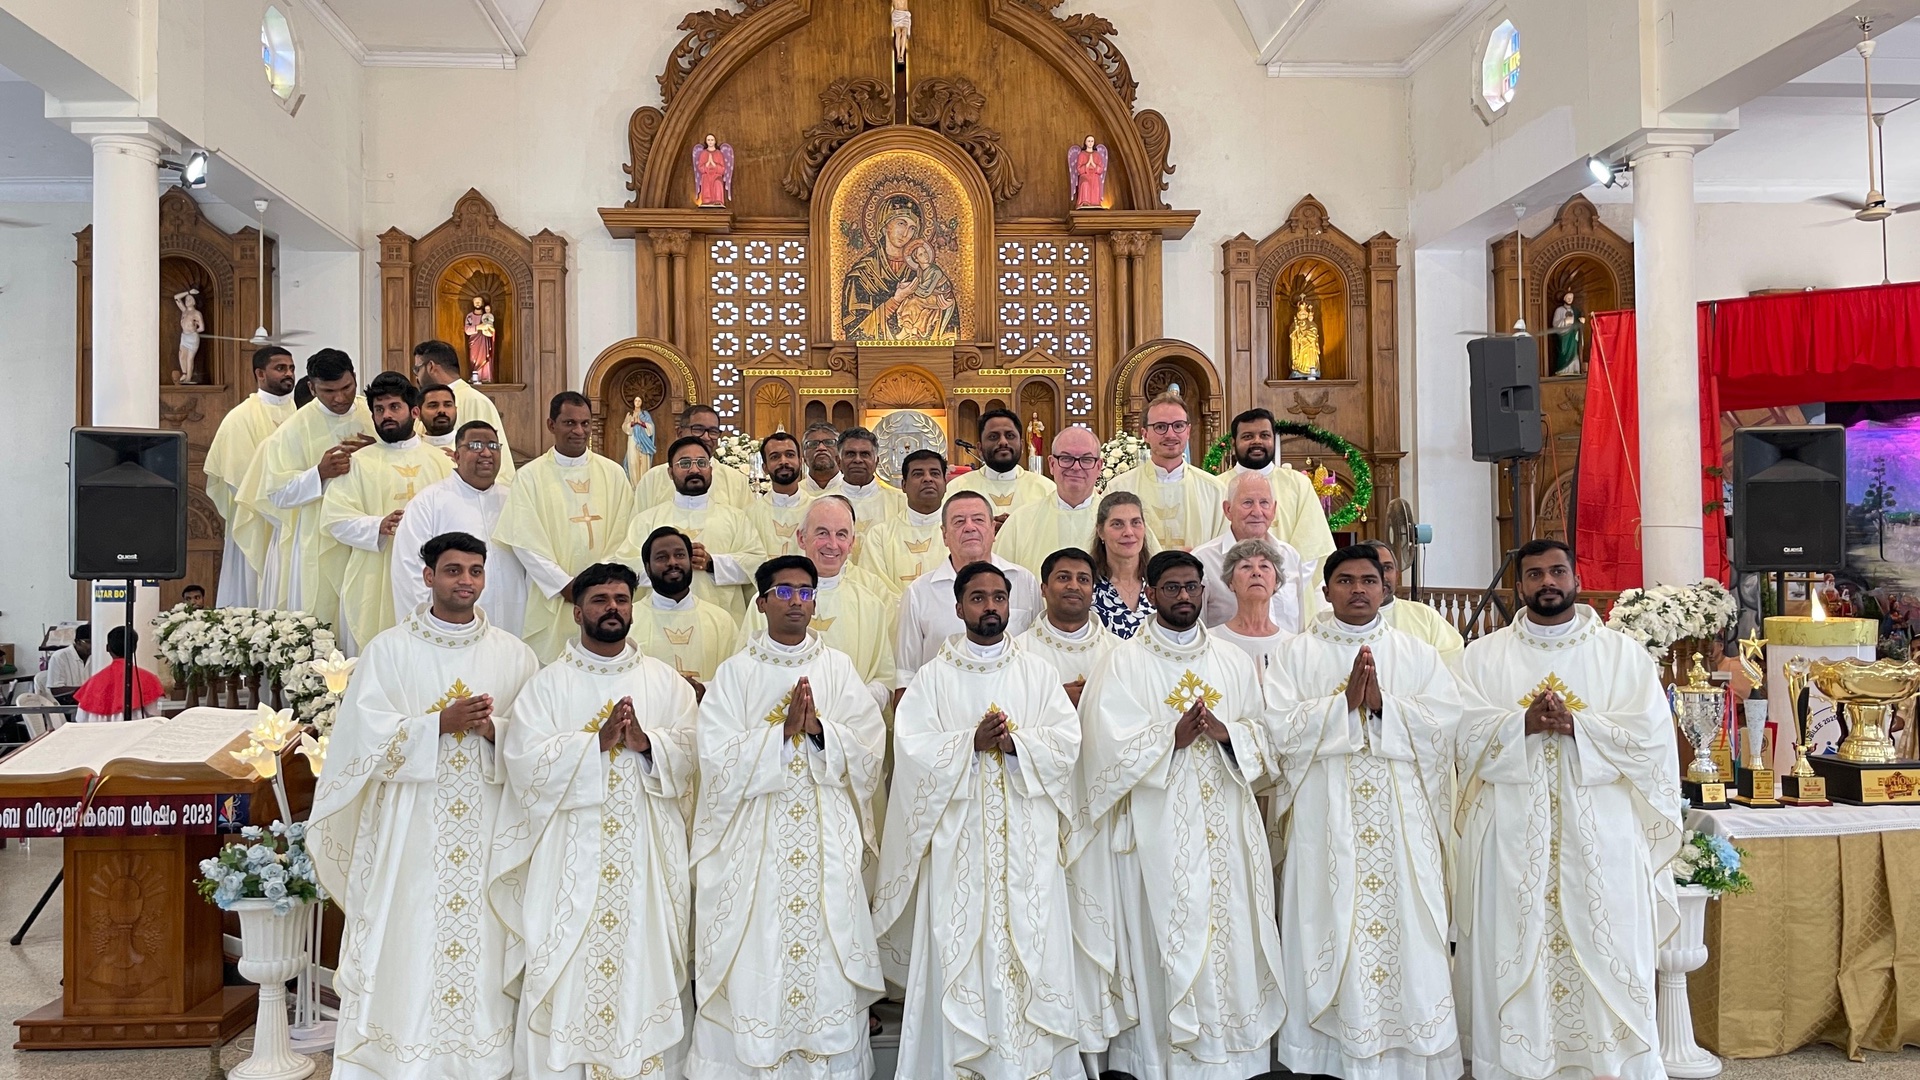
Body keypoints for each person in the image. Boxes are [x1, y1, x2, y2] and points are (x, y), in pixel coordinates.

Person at [308, 531, 540, 1080]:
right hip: (412, 826)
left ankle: (484, 1062)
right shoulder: (389, 650)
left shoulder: (515, 655)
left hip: (488, 826)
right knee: (409, 935)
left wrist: (494, 729)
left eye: (475, 571)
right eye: (453, 570)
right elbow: (360, 739)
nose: (466, 581)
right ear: (428, 576)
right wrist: (437, 724)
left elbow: (535, 742)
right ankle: (402, 1056)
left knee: (485, 939)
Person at [1452, 539, 1682, 1080]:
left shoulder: (1621, 655)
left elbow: (1652, 740)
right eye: (1535, 574)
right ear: (1520, 585)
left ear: (1576, 578)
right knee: (1514, 945)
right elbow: (1458, 735)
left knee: (1608, 946)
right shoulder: (1481, 657)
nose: (1548, 582)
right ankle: (1514, 1065)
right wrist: (1520, 725)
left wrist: (1580, 726)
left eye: (1558, 571)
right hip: (1510, 833)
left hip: (1602, 830)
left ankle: (1611, 1065)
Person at [874, 561, 1086, 1080]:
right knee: (960, 948)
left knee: (1032, 944)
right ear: (958, 607)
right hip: (959, 844)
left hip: (1027, 841)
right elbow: (912, 749)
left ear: (1009, 605)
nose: (990, 606)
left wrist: (1017, 744)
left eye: (998, 597)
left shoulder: (1036, 673)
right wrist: (969, 742)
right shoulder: (933, 678)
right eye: (978, 598)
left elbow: (1067, 743)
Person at [1078, 550, 1284, 1080]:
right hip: (1157, 830)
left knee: (1231, 934)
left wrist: (1227, 734)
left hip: (1227, 826)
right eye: (1171, 588)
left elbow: (1265, 737)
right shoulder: (1122, 662)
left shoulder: (1231, 661)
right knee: (1166, 936)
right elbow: (1102, 747)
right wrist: (1169, 738)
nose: (1185, 597)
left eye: (1192, 587)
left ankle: (1232, 1057)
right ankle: (1163, 1060)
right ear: (1150, 593)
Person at [1263, 545, 1463, 1080]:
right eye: (1346, 581)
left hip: (1401, 816)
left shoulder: (1416, 653)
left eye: (1368, 580)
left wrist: (1382, 706)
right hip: (1323, 814)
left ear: (1384, 587)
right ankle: (1327, 1055)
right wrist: (1343, 705)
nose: (1358, 590)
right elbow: (1277, 730)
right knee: (1327, 916)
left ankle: (1410, 1051)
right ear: (1326, 591)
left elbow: (1446, 726)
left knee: (1409, 921)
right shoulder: (1296, 654)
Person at [494, 561, 699, 1080]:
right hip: (569, 860)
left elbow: (694, 755)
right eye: (601, 600)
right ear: (577, 610)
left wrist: (648, 744)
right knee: (567, 959)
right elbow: (523, 765)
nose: (613, 609)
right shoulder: (548, 685)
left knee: (645, 959)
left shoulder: (665, 683)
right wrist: (595, 745)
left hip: (646, 858)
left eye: (622, 599)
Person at [687, 555, 888, 1080]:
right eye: (784, 592)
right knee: (758, 942)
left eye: (805, 592)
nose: (796, 601)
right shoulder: (735, 673)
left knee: (828, 940)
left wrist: (820, 732)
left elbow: (869, 747)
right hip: (755, 841)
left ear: (815, 603)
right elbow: (714, 758)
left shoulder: (838, 669)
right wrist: (779, 735)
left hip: (825, 835)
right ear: (761, 603)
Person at [494, 392, 638, 662]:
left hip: (605, 596)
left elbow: (627, 533)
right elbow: (524, 541)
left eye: (585, 423)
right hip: (553, 595)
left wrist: (598, 587)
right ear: (551, 425)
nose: (579, 431)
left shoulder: (614, 474)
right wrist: (565, 585)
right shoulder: (530, 476)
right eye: (570, 423)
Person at [239, 348, 375, 626]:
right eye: (328, 391)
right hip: (317, 536)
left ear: (355, 378)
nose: (340, 398)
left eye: (347, 388)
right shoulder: (293, 429)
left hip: (369, 528)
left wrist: (377, 451)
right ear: (312, 388)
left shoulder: (373, 415)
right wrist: (319, 474)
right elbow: (277, 494)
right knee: (323, 616)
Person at [321, 373, 454, 653]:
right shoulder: (358, 463)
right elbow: (335, 519)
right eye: (379, 410)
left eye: (394, 407)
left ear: (414, 412)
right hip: (375, 578)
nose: (386, 416)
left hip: (432, 573)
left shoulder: (441, 462)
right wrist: (377, 525)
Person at [740, 497, 895, 712]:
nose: (832, 544)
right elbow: (745, 672)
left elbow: (884, 679)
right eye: (822, 533)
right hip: (777, 720)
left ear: (852, 543)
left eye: (841, 535)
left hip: (847, 722)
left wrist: (846, 709)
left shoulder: (871, 605)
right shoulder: (770, 599)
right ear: (801, 538)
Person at [391, 420, 528, 635]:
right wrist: (423, 629)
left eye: (493, 446)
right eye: (475, 445)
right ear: (456, 456)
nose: (486, 453)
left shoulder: (514, 501)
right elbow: (409, 571)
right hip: (447, 628)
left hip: (514, 620)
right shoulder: (429, 502)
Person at [895, 491, 1040, 688]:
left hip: (1014, 696)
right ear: (944, 535)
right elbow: (906, 672)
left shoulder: (1024, 581)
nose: (970, 527)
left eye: (978, 520)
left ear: (993, 530)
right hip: (944, 700)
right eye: (959, 522)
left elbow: (1036, 651)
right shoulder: (918, 593)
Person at [624, 436, 766, 623]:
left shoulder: (736, 518)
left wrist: (712, 563)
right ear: (670, 472)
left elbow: (757, 564)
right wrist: (667, 565)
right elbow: (625, 568)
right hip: (659, 621)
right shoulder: (647, 520)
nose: (694, 469)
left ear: (711, 469)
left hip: (722, 622)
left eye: (701, 463)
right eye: (685, 463)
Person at [205, 345, 297, 606]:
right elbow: (241, 480)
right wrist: (280, 511)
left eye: (291, 368)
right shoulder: (239, 418)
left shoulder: (300, 413)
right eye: (280, 368)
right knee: (251, 594)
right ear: (260, 374)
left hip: (295, 519)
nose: (289, 374)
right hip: (255, 518)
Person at [1101, 394, 1224, 551]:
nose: (1170, 434)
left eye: (1178, 426)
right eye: (1160, 427)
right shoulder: (1118, 488)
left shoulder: (1215, 491)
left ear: (1188, 431)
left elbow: (1223, 551)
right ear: (1145, 434)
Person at [1194, 471, 1314, 633]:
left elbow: (1298, 626)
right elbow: (1197, 630)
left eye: (1264, 503)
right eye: (1247, 503)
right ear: (1228, 509)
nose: (1257, 512)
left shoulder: (1289, 556)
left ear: (1274, 509)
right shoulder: (1203, 560)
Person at [1222, 408, 1336, 568]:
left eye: (1264, 435)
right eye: (1248, 436)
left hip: (1289, 580)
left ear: (1273, 440)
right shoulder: (1216, 487)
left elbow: (1310, 550)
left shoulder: (1298, 484)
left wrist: (1280, 581)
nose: (1257, 441)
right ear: (1233, 443)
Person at [995, 425, 1102, 577]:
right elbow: (998, 578)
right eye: (1066, 458)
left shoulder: (1117, 521)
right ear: (1052, 464)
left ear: (1099, 466)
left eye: (1086, 459)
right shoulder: (1021, 521)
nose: (1076, 467)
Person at [1020, 548, 1116, 707]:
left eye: (1083, 579)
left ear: (1093, 591)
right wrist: (1057, 700)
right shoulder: (1018, 651)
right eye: (1063, 577)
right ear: (1044, 589)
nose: (1074, 586)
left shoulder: (1118, 651)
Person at [411, 339, 517, 480]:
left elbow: (490, 455)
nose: (416, 377)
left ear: (431, 367)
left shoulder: (474, 400)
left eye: (417, 369)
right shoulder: (425, 401)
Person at [855, 448, 949, 593]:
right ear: (903, 485)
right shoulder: (880, 535)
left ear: (945, 483)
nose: (928, 479)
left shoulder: (959, 532)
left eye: (935, 473)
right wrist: (908, 605)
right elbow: (873, 589)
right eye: (918, 474)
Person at [1361, 540, 1465, 668]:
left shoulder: (1425, 616)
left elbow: (1452, 661)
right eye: (1369, 568)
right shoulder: (1340, 618)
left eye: (1387, 568)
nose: (1381, 576)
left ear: (1397, 575)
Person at [635, 404, 752, 511]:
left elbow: (747, 524)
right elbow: (638, 524)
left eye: (713, 431)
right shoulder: (653, 479)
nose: (706, 437)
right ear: (679, 433)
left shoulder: (735, 481)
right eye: (698, 429)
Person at [949, 408, 1057, 520]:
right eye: (993, 436)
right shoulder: (958, 488)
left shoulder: (1046, 489)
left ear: (1021, 445)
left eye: (1010, 436)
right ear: (980, 448)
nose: (1003, 442)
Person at [1206, 539, 1291, 673]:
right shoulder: (1210, 641)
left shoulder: (1292, 644)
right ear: (1231, 583)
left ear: (1276, 582)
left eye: (1264, 566)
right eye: (1246, 566)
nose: (1256, 572)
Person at [1089, 491, 1156, 639]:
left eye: (1135, 522)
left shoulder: (1159, 585)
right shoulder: (1087, 587)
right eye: (1117, 524)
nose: (1128, 532)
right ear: (1100, 531)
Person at [72, 626, 166, 722]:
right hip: (136, 730)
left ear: (108, 648)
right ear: (134, 648)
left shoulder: (93, 682)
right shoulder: (148, 679)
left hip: (100, 731)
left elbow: (81, 719)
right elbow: (156, 716)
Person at [747, 431, 814, 558]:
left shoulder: (816, 509)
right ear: (765, 468)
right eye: (775, 457)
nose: (783, 461)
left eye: (790, 455)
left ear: (800, 462)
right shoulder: (750, 515)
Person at [833, 426, 904, 534]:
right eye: (850, 454)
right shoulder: (822, 502)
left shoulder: (900, 503)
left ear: (876, 462)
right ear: (838, 461)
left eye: (865, 454)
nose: (858, 460)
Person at [43, 624, 90, 697]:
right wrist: (85, 690)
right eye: (88, 642)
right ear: (77, 642)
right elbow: (56, 690)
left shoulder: (96, 657)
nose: (92, 646)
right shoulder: (59, 657)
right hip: (66, 701)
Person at [801, 422, 842, 496]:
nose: (821, 448)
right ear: (803, 456)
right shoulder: (794, 493)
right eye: (813, 444)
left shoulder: (854, 491)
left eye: (829, 442)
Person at [417, 382, 459, 452]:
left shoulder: (468, 446)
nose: (441, 410)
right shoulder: (412, 448)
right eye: (433, 406)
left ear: (456, 410)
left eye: (447, 405)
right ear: (418, 413)